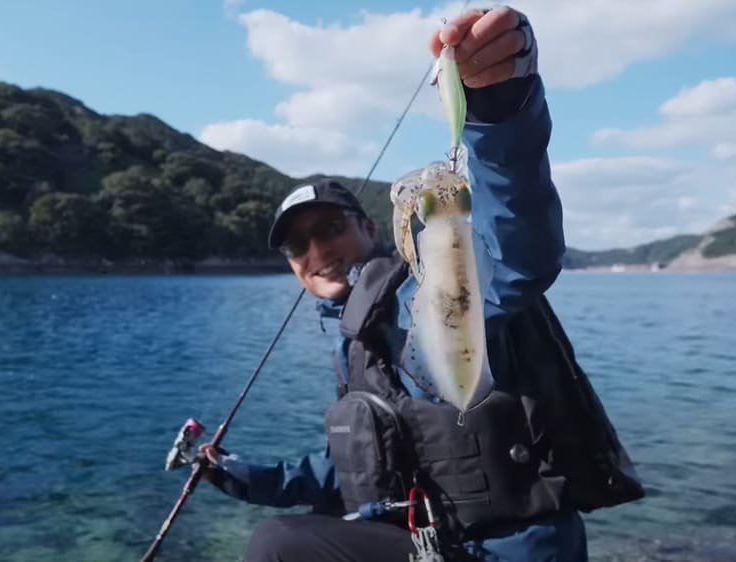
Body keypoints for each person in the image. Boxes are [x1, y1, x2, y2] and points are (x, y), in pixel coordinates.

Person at [199, 6, 644, 562]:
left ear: (368, 227)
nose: (317, 252)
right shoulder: (353, 339)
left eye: (330, 228)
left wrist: (497, 107)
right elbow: (356, 467)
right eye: (297, 245)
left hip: (516, 551)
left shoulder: (424, 295)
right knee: (303, 532)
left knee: (279, 546)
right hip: (435, 546)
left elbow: (518, 258)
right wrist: (235, 474)